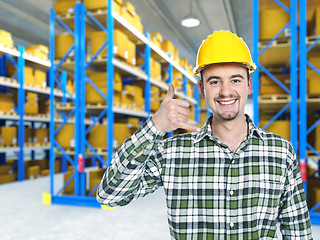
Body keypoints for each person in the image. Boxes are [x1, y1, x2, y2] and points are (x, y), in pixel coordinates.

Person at [96, 30, 312, 239]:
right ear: (202, 89)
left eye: (235, 80)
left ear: (249, 85)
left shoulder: (280, 152)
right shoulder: (173, 153)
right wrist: (155, 127)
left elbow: (298, 231)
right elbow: (110, 195)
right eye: (215, 81)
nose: (226, 91)